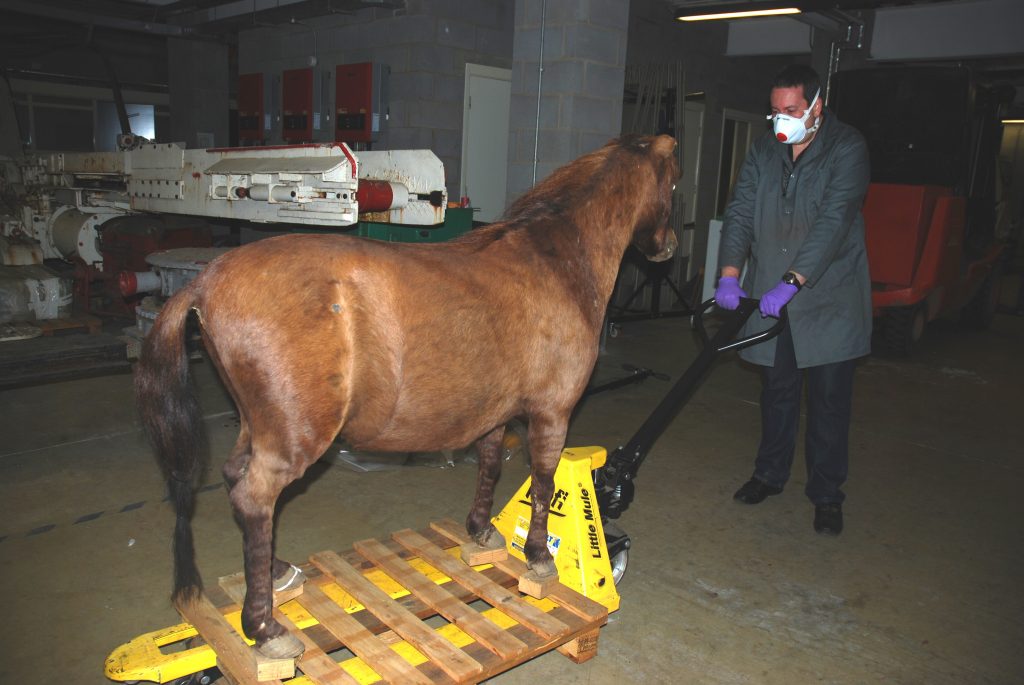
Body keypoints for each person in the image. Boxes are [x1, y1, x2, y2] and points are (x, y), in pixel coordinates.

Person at [715, 64, 871, 536]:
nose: (782, 120)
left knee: (827, 403)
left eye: (791, 110)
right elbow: (740, 209)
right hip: (770, 298)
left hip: (827, 299)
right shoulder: (764, 151)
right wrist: (729, 274)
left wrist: (793, 281)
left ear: (816, 107)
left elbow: (834, 221)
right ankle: (769, 475)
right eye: (775, 111)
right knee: (777, 393)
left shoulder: (847, 148)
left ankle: (826, 494)